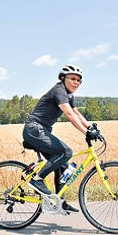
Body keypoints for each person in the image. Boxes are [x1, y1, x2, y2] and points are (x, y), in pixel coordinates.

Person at [22, 64, 100, 213]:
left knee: (63, 166)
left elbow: (76, 114)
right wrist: (85, 132)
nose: (76, 82)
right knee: (66, 152)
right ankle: (37, 180)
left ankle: (60, 201)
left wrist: (90, 128)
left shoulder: (69, 95)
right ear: (63, 78)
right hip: (34, 130)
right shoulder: (59, 91)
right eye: (73, 79)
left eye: (79, 80)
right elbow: (69, 115)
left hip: (42, 131)